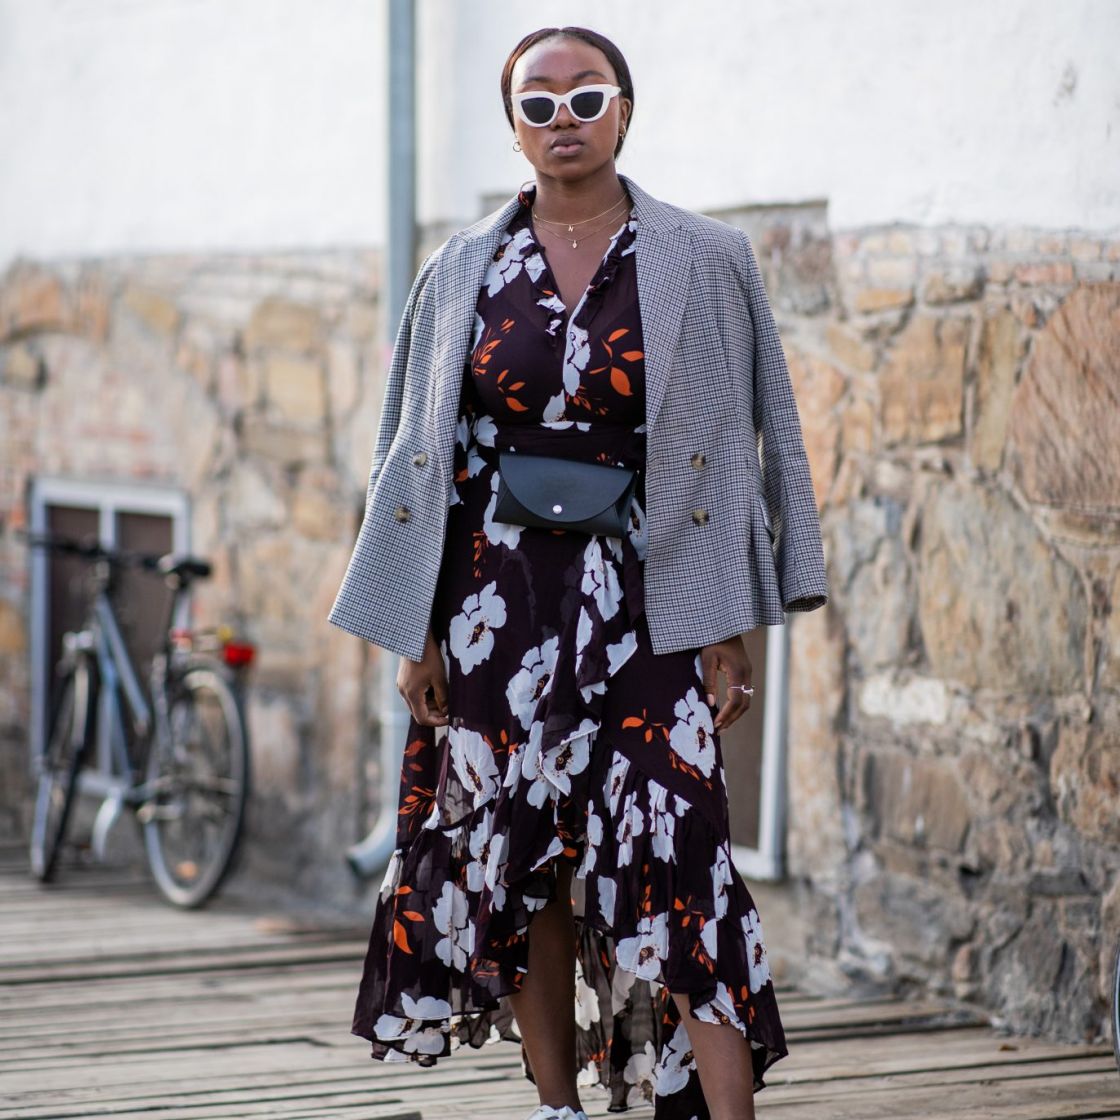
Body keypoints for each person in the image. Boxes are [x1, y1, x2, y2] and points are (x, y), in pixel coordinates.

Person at [328, 24, 828, 1120]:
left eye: (585, 97)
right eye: (538, 103)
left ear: (625, 110)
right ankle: (557, 1105)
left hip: (649, 604)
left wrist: (734, 621)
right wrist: (413, 629)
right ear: (512, 126)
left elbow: (763, 429)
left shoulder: (705, 254)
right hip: (491, 606)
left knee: (685, 852)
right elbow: (409, 450)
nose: (564, 120)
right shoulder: (458, 266)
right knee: (528, 865)